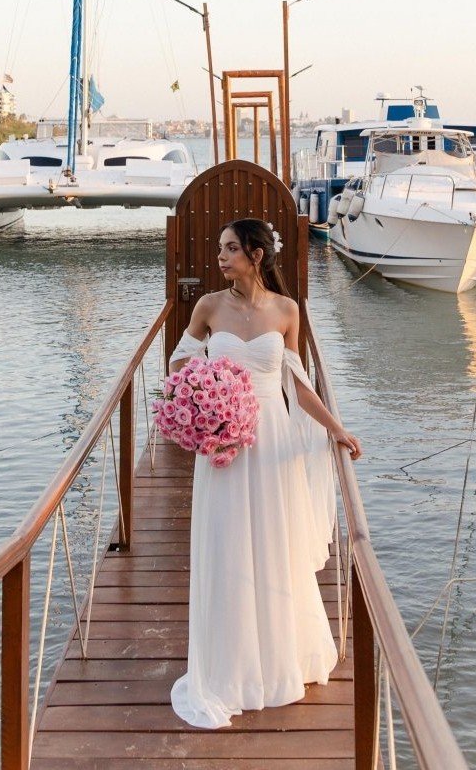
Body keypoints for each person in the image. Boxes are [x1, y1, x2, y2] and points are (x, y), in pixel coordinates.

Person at [168, 217, 363, 729]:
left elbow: (296, 382)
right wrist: (204, 394)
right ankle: (231, 665)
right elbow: (178, 363)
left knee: (273, 541)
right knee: (229, 540)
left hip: (271, 436)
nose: (220, 257)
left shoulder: (287, 310)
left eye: (230, 248)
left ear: (256, 255)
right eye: (220, 248)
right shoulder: (209, 306)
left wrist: (336, 428)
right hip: (224, 441)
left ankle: (278, 658)